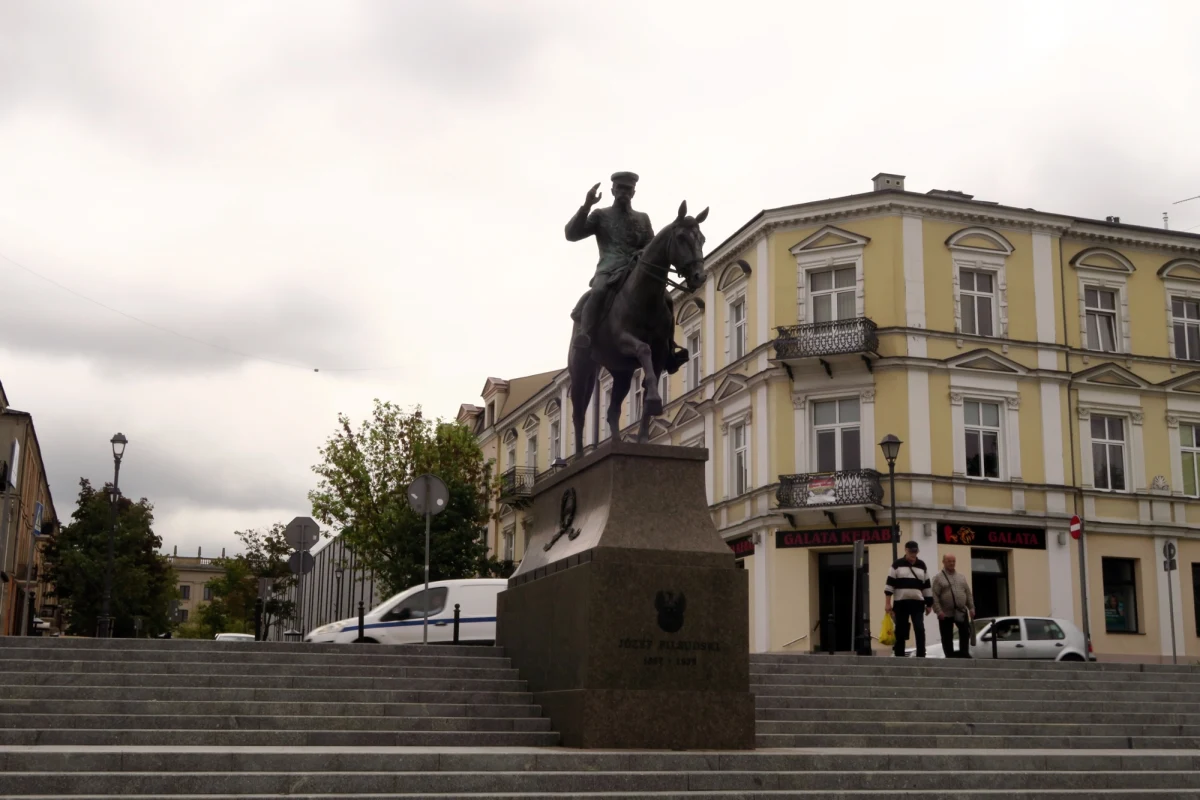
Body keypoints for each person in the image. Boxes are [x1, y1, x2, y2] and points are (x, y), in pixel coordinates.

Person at [565, 172, 687, 372]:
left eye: (628, 189)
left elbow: (651, 245)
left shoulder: (642, 218)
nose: (624, 192)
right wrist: (587, 206)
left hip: (635, 269)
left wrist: (642, 252)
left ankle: (669, 348)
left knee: (666, 299)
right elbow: (571, 234)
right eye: (620, 188)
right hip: (609, 268)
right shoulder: (600, 215)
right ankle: (585, 335)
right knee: (597, 292)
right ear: (613, 190)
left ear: (634, 192)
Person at [884, 540, 933, 657]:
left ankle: (921, 654)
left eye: (915, 552)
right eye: (911, 552)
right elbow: (889, 585)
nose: (913, 554)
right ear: (906, 550)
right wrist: (887, 604)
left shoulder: (922, 565)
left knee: (919, 628)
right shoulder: (896, 564)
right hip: (901, 603)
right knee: (901, 629)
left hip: (917, 603)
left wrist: (929, 604)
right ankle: (899, 654)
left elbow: (926, 585)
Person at [931, 553, 975, 658]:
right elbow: (934, 596)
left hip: (961, 611)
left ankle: (964, 653)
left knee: (965, 632)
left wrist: (971, 608)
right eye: (949, 561)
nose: (952, 563)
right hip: (945, 612)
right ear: (943, 562)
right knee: (947, 636)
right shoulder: (938, 578)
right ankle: (949, 655)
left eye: (953, 561)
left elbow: (968, 593)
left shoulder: (961, 577)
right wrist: (938, 611)